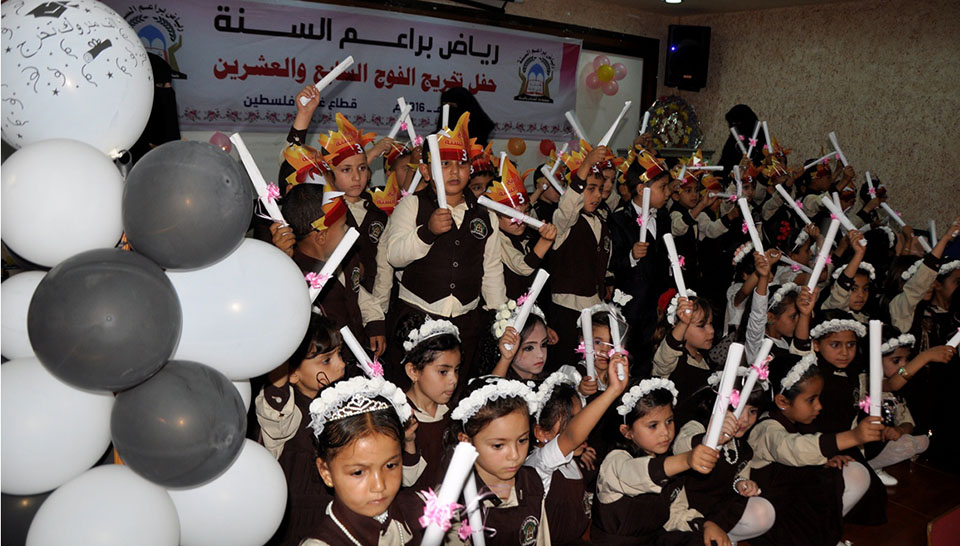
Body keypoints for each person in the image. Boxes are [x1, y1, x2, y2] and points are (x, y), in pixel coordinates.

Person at [384, 111, 507, 387]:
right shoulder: (412, 205)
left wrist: (500, 318)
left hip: (466, 323)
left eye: (462, 164)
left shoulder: (485, 216)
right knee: (412, 391)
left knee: (458, 391)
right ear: (426, 171)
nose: (454, 171)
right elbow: (394, 255)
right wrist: (426, 232)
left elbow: (491, 271)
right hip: (416, 318)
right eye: (445, 164)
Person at [749, 353, 883, 546]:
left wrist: (824, 461)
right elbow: (794, 449)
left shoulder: (794, 420)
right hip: (775, 513)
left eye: (819, 398)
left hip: (794, 498)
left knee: (854, 472)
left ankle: (823, 535)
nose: (819, 406)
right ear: (782, 402)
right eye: (811, 400)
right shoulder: (766, 429)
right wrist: (854, 437)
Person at [591, 378, 728, 545]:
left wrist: (705, 525)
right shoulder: (615, 462)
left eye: (669, 421)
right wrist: (686, 460)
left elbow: (676, 512)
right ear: (627, 431)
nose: (665, 432)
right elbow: (638, 474)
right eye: (653, 425)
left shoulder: (668, 462)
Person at [301, 376, 425, 545]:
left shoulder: (420, 510)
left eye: (390, 465)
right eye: (358, 472)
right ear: (326, 472)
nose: (379, 486)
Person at [528, 360, 628, 545]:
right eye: (574, 421)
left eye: (582, 418)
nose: (584, 429)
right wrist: (613, 391)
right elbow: (571, 436)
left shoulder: (574, 464)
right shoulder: (538, 465)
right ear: (542, 433)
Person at [446, 376, 550, 545]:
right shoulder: (455, 502)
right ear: (466, 441)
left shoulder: (531, 483)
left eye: (522, 440)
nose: (514, 455)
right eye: (498, 445)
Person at [398, 314, 462, 490]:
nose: (454, 380)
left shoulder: (453, 410)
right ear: (413, 371)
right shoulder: (399, 415)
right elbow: (403, 481)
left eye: (456, 370)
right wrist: (408, 443)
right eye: (443, 372)